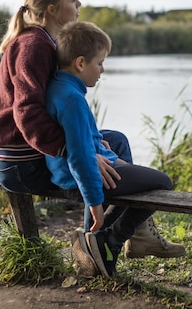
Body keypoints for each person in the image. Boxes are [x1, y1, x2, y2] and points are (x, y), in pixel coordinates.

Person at [0, 0, 184, 263]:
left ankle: (130, 234)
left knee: (115, 141)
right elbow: (26, 114)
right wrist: (77, 152)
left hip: (27, 155)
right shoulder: (34, 45)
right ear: (52, 9)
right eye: (73, 0)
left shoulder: (42, 41)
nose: (79, 5)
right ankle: (104, 238)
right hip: (23, 164)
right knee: (127, 166)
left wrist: (90, 147)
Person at [46, 21, 174, 278]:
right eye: (100, 63)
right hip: (73, 179)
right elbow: (81, 158)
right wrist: (95, 205)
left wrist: (97, 142)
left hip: (63, 173)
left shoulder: (61, 88)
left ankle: (100, 246)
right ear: (80, 63)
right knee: (163, 183)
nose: (102, 70)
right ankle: (109, 241)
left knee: (118, 141)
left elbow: (80, 137)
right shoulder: (72, 99)